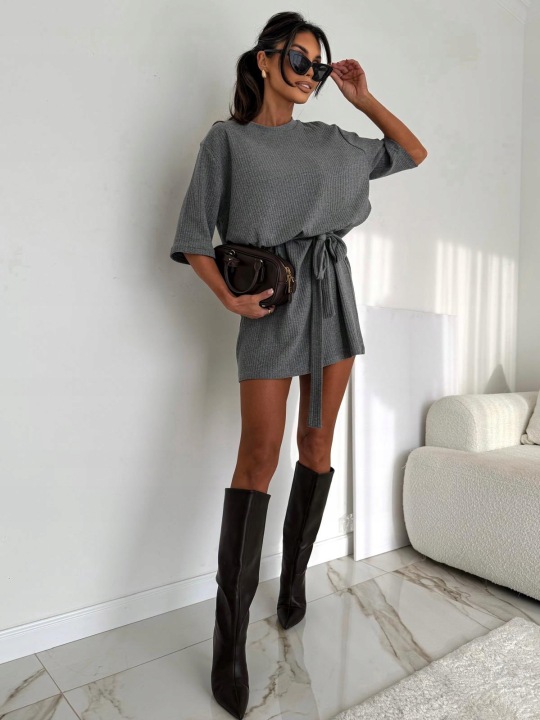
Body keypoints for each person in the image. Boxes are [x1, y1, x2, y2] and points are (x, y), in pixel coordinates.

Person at [170, 11, 427, 719]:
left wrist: (363, 99)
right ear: (263, 59)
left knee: (317, 443)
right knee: (258, 457)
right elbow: (193, 235)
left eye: (318, 63)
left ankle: (292, 583)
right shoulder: (227, 141)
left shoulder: (332, 138)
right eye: (298, 58)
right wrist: (227, 298)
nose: (310, 72)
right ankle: (227, 643)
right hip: (272, 301)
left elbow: (412, 152)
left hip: (331, 295)